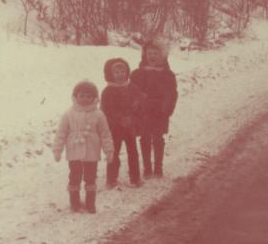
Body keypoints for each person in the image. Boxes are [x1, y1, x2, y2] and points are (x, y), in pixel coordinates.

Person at [52, 80, 114, 214]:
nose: (85, 99)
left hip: (92, 152)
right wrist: (57, 149)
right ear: (76, 96)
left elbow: (105, 134)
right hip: (74, 151)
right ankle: (74, 202)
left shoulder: (98, 114)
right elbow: (61, 132)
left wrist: (108, 150)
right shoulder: (69, 113)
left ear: (94, 97)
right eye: (82, 96)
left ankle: (90, 203)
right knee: (74, 176)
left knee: (90, 177)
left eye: (88, 96)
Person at [130, 40, 177, 178]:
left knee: (158, 138)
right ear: (144, 55)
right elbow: (132, 91)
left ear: (162, 56)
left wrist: (166, 108)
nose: (152, 56)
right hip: (143, 111)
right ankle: (147, 168)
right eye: (150, 53)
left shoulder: (168, 74)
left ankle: (158, 167)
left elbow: (172, 93)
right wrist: (136, 104)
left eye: (156, 53)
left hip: (159, 111)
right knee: (144, 138)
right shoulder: (137, 73)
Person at [100, 57, 143, 188]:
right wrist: (119, 119)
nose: (120, 75)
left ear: (127, 72)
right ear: (110, 74)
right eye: (116, 72)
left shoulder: (132, 87)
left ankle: (135, 178)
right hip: (115, 128)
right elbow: (106, 110)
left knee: (133, 152)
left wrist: (135, 109)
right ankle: (111, 179)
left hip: (130, 127)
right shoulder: (108, 91)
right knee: (114, 153)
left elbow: (140, 101)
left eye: (123, 71)